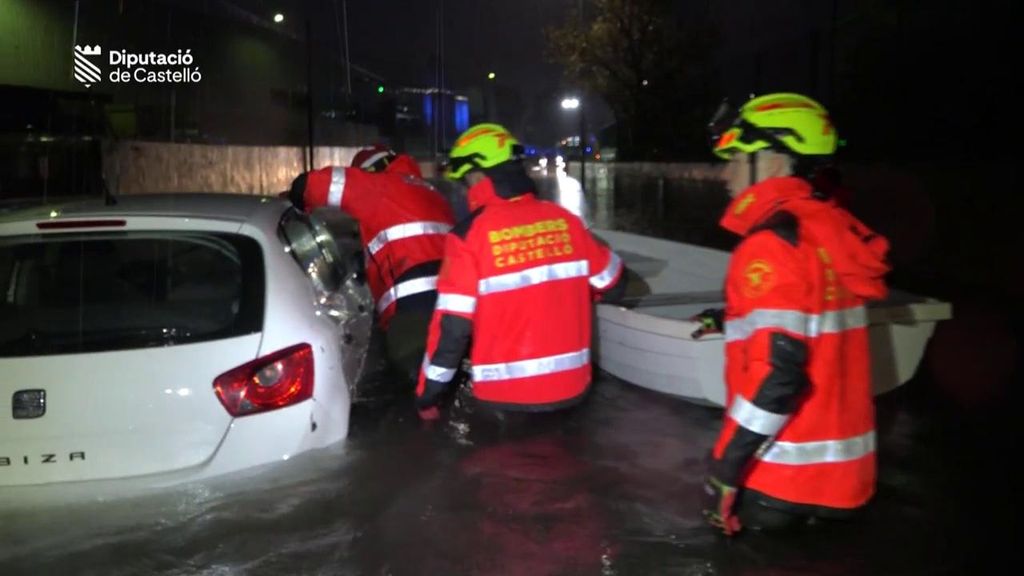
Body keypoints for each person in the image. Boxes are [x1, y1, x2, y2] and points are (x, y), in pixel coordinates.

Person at [698, 93, 891, 535]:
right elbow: (811, 314)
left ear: (771, 162)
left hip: (779, 482)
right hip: (846, 483)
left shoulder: (769, 247)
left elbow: (778, 376)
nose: (726, 174)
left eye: (736, 160)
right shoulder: (834, 229)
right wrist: (729, 319)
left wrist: (725, 470)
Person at [413, 123, 628, 420]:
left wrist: (428, 395)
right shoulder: (566, 221)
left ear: (478, 176)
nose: (465, 190)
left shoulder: (468, 237)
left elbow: (453, 329)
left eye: (465, 181)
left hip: (504, 400)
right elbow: (616, 283)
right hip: (574, 392)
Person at [288, 145, 456, 387]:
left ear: (367, 172)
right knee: (442, 380)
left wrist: (295, 199)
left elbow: (311, 185)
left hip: (414, 311)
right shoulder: (430, 192)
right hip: (454, 307)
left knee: (412, 385)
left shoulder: (378, 186)